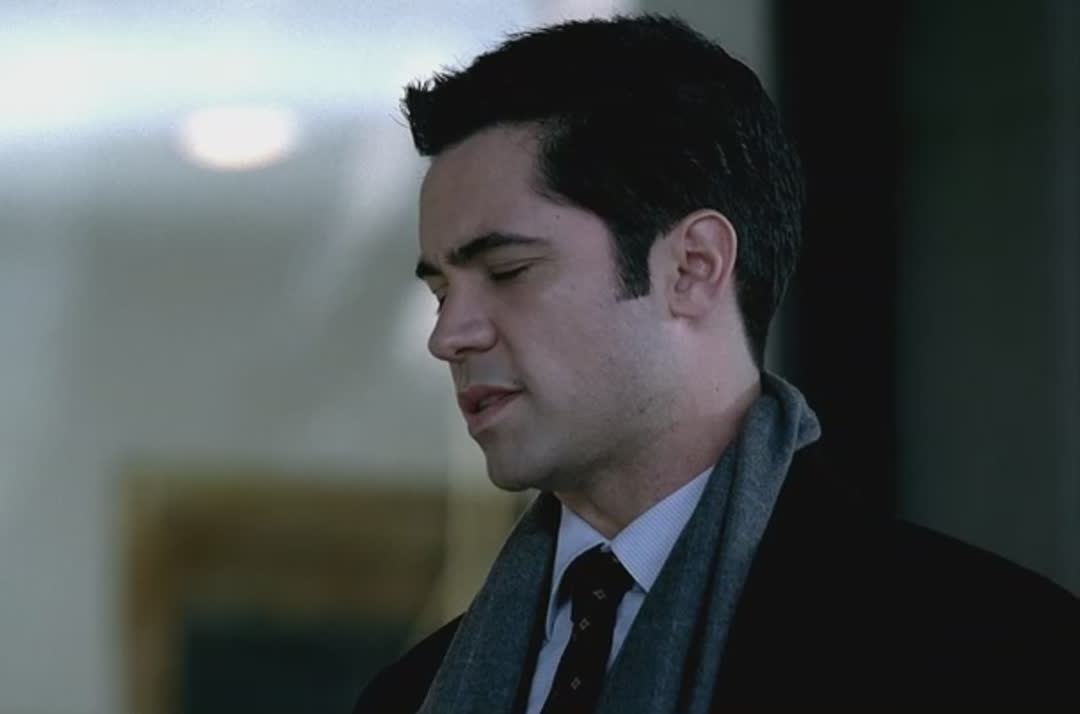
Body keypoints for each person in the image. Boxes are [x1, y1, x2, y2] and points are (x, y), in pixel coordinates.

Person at [353, 13, 1079, 714]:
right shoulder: (410, 694)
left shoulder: (991, 656)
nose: (448, 336)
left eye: (508, 271)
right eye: (442, 291)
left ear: (693, 267)